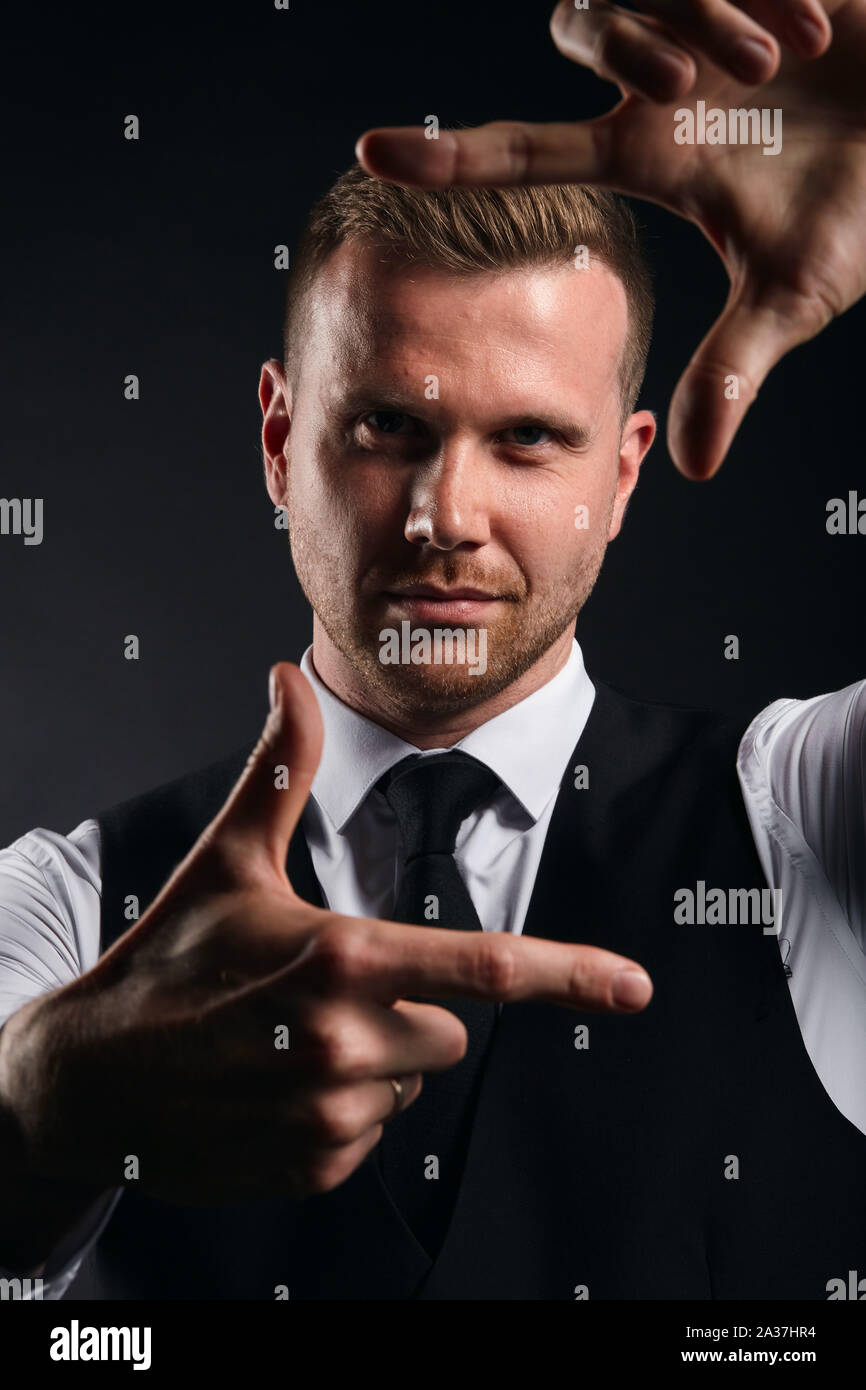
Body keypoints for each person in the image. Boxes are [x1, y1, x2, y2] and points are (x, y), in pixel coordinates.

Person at [1, 0, 865, 1302]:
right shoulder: (69, 908)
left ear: (623, 472)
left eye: (527, 439)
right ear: (276, 441)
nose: (446, 515)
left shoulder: (799, 816)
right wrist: (36, 1123)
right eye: (386, 427)